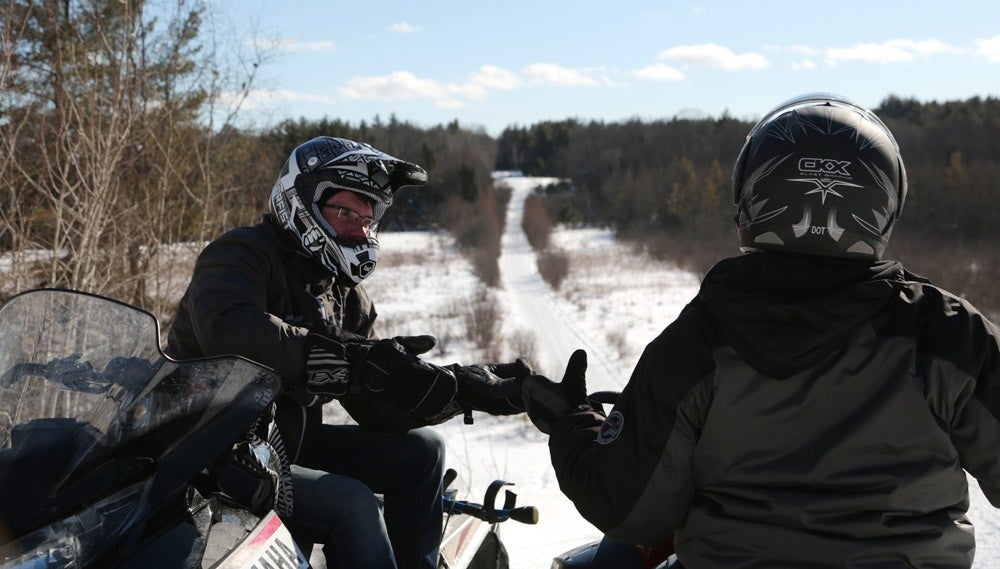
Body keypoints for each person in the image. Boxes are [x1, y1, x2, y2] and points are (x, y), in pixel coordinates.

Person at [522, 93, 1000, 568]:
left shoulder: (698, 339)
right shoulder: (950, 334)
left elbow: (627, 509)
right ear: (884, 206)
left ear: (751, 201)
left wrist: (573, 423)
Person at [167, 136, 527, 569]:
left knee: (423, 451)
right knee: (352, 502)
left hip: (285, 448)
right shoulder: (241, 254)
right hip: (207, 454)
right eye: (344, 212)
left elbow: (373, 406)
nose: (360, 228)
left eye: (368, 217)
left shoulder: (345, 296)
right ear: (300, 201)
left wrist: (453, 389)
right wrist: (350, 361)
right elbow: (236, 334)